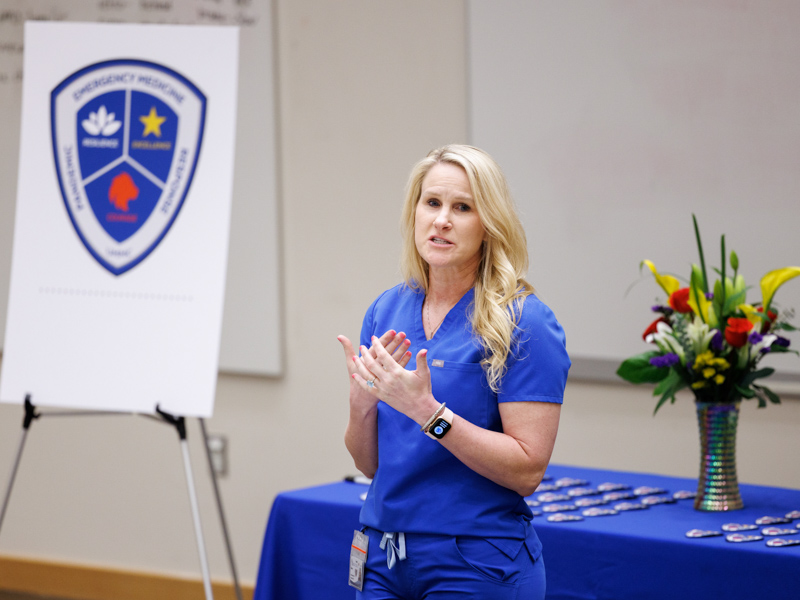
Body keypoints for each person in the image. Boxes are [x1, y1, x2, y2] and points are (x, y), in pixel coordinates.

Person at [337, 144, 570, 599]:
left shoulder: (524, 322)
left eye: (462, 208)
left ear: (489, 225)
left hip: (477, 559)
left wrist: (428, 412)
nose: (442, 219)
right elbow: (369, 464)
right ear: (415, 213)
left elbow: (527, 470)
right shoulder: (387, 309)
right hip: (383, 553)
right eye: (432, 203)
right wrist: (361, 404)